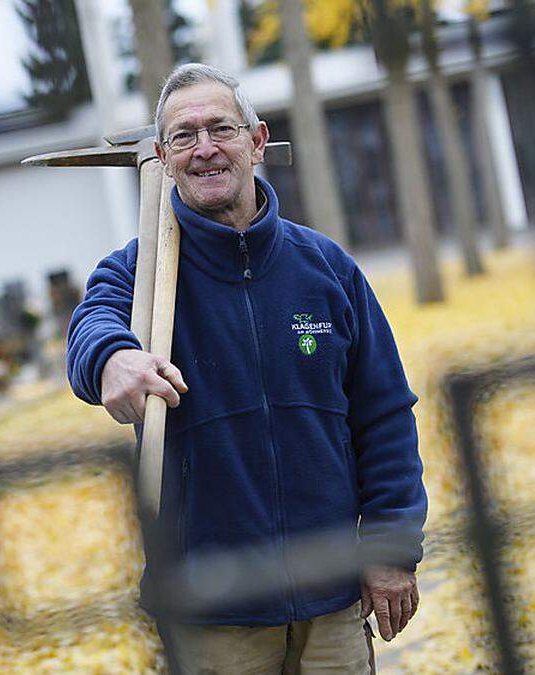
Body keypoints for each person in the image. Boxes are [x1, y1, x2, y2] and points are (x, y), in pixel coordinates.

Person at [65, 63, 427, 673]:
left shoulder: (327, 270)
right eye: (183, 136)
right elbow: (91, 326)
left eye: (220, 129)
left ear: (257, 141)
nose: (204, 149)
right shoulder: (143, 275)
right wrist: (113, 359)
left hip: (332, 594)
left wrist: (390, 547)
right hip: (213, 608)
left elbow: (385, 416)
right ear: (162, 156)